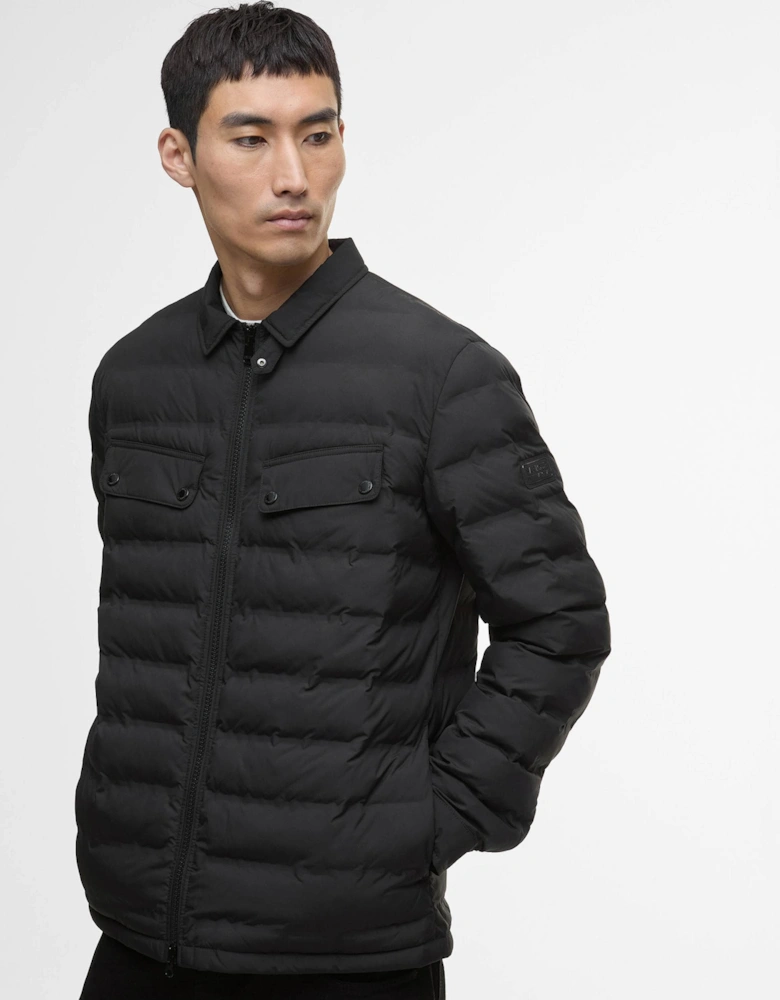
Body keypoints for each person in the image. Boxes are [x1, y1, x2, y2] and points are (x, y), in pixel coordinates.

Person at [75, 2, 612, 997]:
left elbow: (560, 622)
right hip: (139, 937)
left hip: (350, 958)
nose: (294, 175)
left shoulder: (442, 375)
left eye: (317, 135)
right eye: (251, 138)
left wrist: (428, 821)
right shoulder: (135, 377)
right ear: (179, 155)